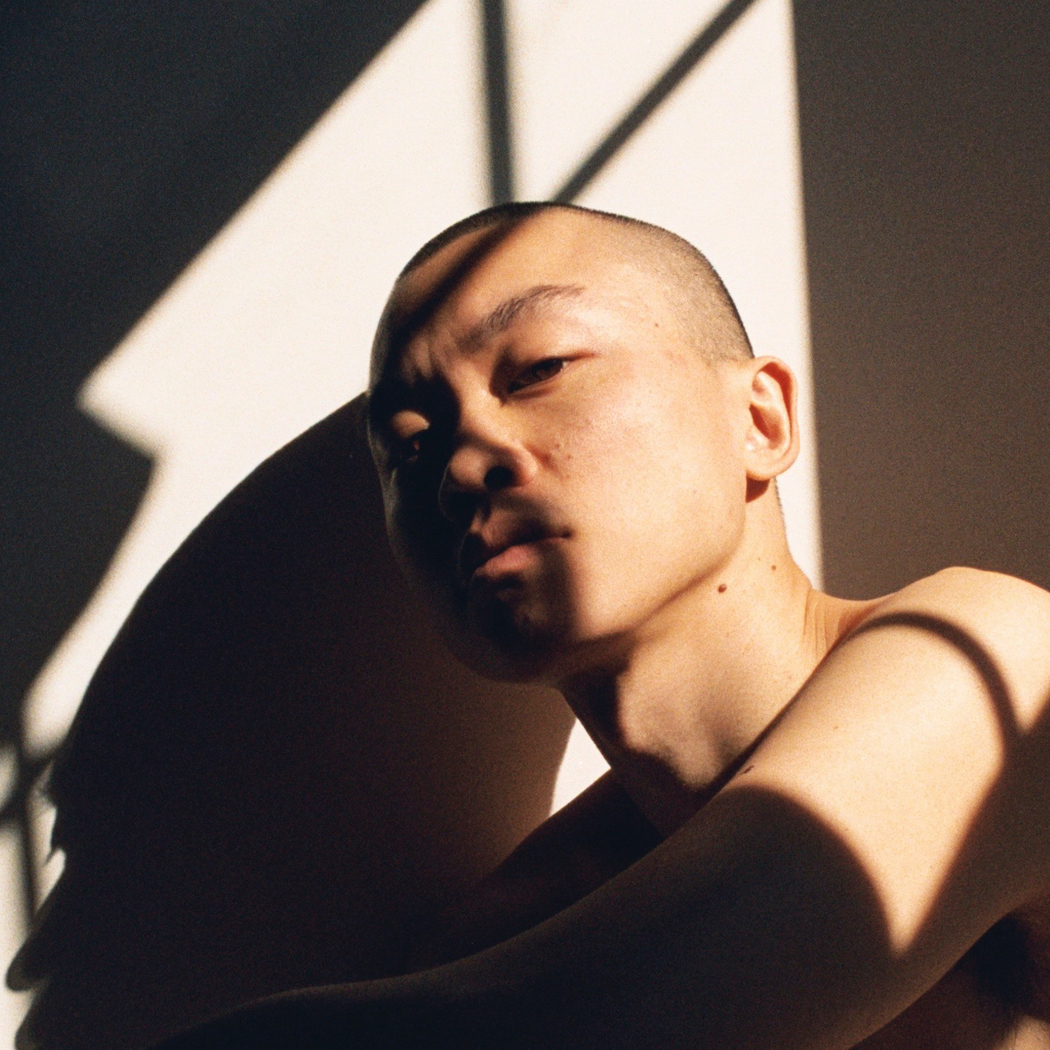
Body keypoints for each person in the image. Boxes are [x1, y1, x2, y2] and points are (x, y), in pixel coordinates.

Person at [151, 201, 1050, 1049]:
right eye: (410, 445)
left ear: (760, 419)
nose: (459, 467)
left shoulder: (995, 662)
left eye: (539, 371)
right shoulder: (503, 940)